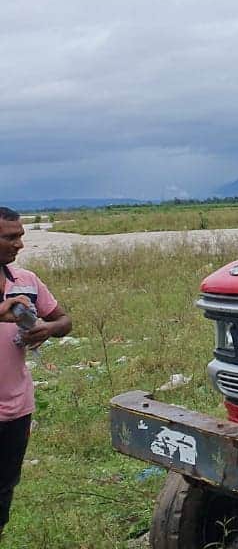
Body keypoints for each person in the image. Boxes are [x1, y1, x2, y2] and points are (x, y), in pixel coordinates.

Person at [0, 207, 72, 538]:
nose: (19, 244)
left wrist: (48, 328)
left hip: (16, 407)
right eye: (10, 237)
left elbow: (64, 320)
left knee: (4, 490)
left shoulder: (26, 281)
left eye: (20, 236)